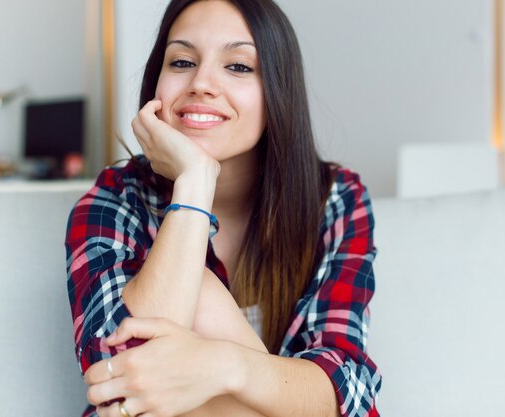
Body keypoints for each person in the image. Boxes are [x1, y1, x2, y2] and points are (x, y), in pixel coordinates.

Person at [65, 0, 381, 416]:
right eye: (181, 61)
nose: (201, 84)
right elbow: (122, 383)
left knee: (203, 299)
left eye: (238, 67)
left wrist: (224, 367)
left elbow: (348, 393)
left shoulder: (334, 198)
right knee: (201, 294)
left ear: (277, 90)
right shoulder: (115, 200)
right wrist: (194, 183)